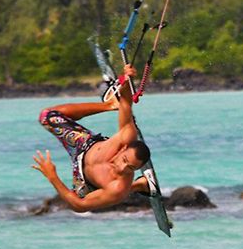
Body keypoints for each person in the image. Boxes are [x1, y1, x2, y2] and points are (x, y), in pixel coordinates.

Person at [32, 64, 158, 212]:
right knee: (46, 117)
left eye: (130, 168)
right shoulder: (127, 136)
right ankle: (110, 104)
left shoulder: (118, 188)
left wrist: (52, 176)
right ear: (123, 148)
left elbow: (80, 206)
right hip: (84, 145)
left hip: (84, 179)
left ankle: (139, 185)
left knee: (77, 201)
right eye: (124, 160)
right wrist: (126, 80)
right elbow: (125, 102)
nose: (122, 168)